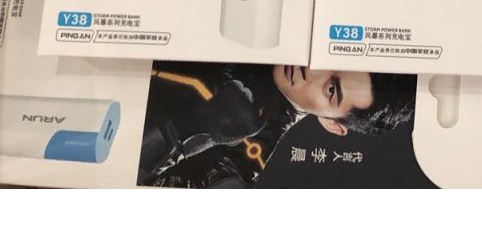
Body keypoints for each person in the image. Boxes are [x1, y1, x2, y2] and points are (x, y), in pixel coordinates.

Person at [138, 64, 416, 187]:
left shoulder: (243, 163)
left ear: (331, 124)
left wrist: (188, 131)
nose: (313, 69)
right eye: (333, 54)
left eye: (331, 89)